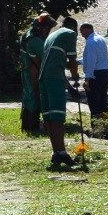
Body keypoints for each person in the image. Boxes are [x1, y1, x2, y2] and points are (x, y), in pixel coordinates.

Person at [37, 17, 80, 169]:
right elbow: (72, 60)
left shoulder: (52, 36)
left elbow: (57, 63)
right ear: (74, 27)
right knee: (58, 117)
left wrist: (69, 87)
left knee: (49, 118)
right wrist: (75, 76)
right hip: (54, 79)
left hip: (43, 78)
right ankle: (62, 152)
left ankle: (56, 152)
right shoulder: (70, 33)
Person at [19, 15, 51, 135]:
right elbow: (46, 58)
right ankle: (32, 128)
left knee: (29, 98)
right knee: (33, 99)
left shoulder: (28, 34)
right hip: (31, 72)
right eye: (47, 28)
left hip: (27, 71)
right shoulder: (35, 40)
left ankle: (28, 127)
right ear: (42, 27)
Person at [80, 22, 108, 120]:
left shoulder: (91, 42)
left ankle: (96, 128)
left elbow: (91, 61)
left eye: (82, 32)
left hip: (95, 75)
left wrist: (87, 80)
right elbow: (95, 57)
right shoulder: (101, 39)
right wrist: (77, 62)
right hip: (105, 73)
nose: (82, 35)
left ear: (87, 29)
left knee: (94, 103)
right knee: (103, 101)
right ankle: (105, 126)